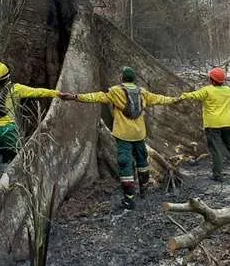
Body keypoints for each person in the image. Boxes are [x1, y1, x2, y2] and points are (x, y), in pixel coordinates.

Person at [60, 66, 178, 210]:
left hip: (123, 135)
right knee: (142, 161)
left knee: (125, 162)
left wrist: (75, 97)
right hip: (139, 134)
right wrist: (175, 99)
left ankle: (129, 198)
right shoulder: (142, 92)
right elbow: (159, 99)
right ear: (133, 79)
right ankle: (144, 189)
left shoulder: (115, 91)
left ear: (122, 78)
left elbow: (96, 96)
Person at [0, 62, 63, 198]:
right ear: (8, 77)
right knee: (19, 153)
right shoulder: (16, 89)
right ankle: (21, 180)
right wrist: (57, 93)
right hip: (7, 129)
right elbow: (37, 92)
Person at [177, 67, 230, 182]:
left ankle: (218, 175)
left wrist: (181, 96)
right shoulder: (227, 90)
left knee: (216, 150)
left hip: (213, 126)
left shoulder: (207, 90)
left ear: (211, 80)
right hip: (228, 124)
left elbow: (193, 95)